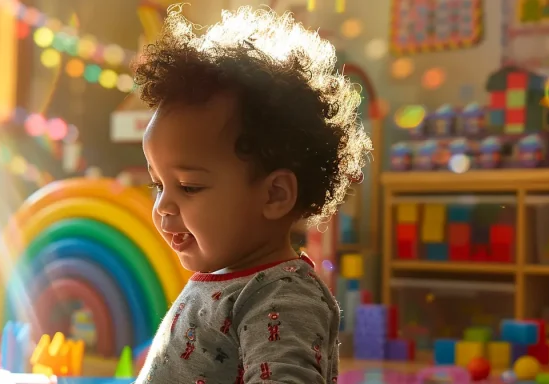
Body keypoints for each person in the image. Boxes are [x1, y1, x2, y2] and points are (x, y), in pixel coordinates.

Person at [134, 5, 372, 384]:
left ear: (274, 194)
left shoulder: (280, 299)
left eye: (189, 186)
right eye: (158, 185)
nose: (163, 206)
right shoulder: (230, 281)